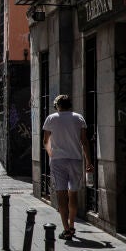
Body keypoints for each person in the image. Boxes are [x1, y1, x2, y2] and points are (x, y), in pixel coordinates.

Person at [43, 94, 93, 241]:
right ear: (69, 104)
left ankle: (66, 230)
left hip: (58, 161)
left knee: (61, 195)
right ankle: (72, 225)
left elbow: (46, 141)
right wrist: (89, 162)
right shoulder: (79, 118)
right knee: (73, 194)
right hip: (76, 160)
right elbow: (84, 141)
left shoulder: (51, 119)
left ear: (57, 106)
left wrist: (51, 154)